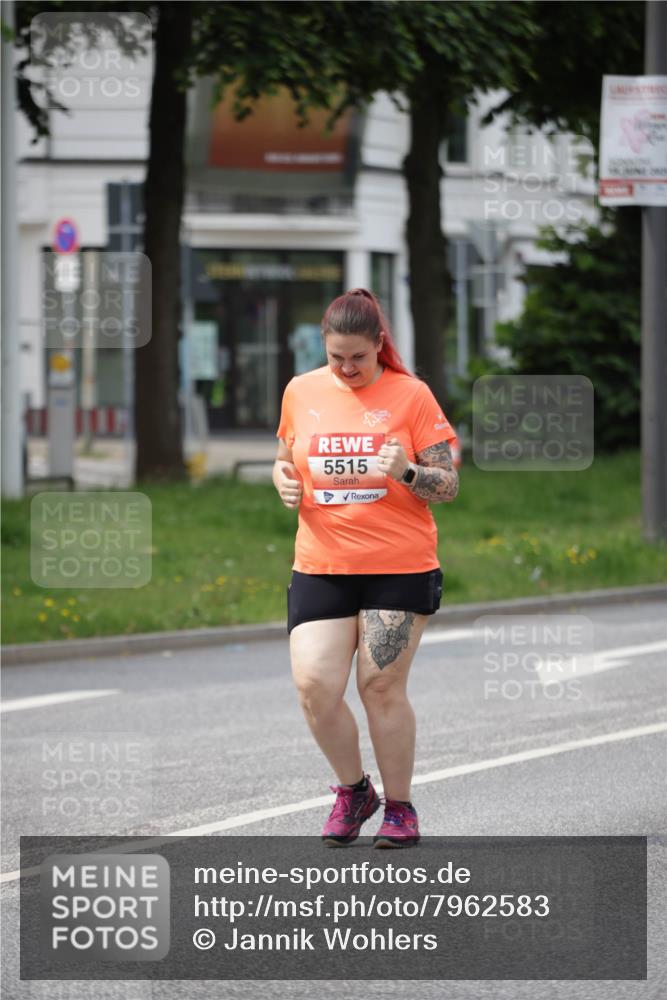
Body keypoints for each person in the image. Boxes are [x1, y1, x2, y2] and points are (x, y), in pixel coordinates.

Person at [273, 288, 459, 848]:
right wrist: (281, 479)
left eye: (359, 356)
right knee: (313, 687)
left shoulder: (412, 395)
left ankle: (400, 809)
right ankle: (355, 791)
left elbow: (447, 485)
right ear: (322, 348)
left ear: (380, 344)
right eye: (337, 358)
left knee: (378, 686)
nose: (348, 368)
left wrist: (406, 471)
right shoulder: (301, 391)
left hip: (398, 567)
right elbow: (286, 457)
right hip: (322, 564)